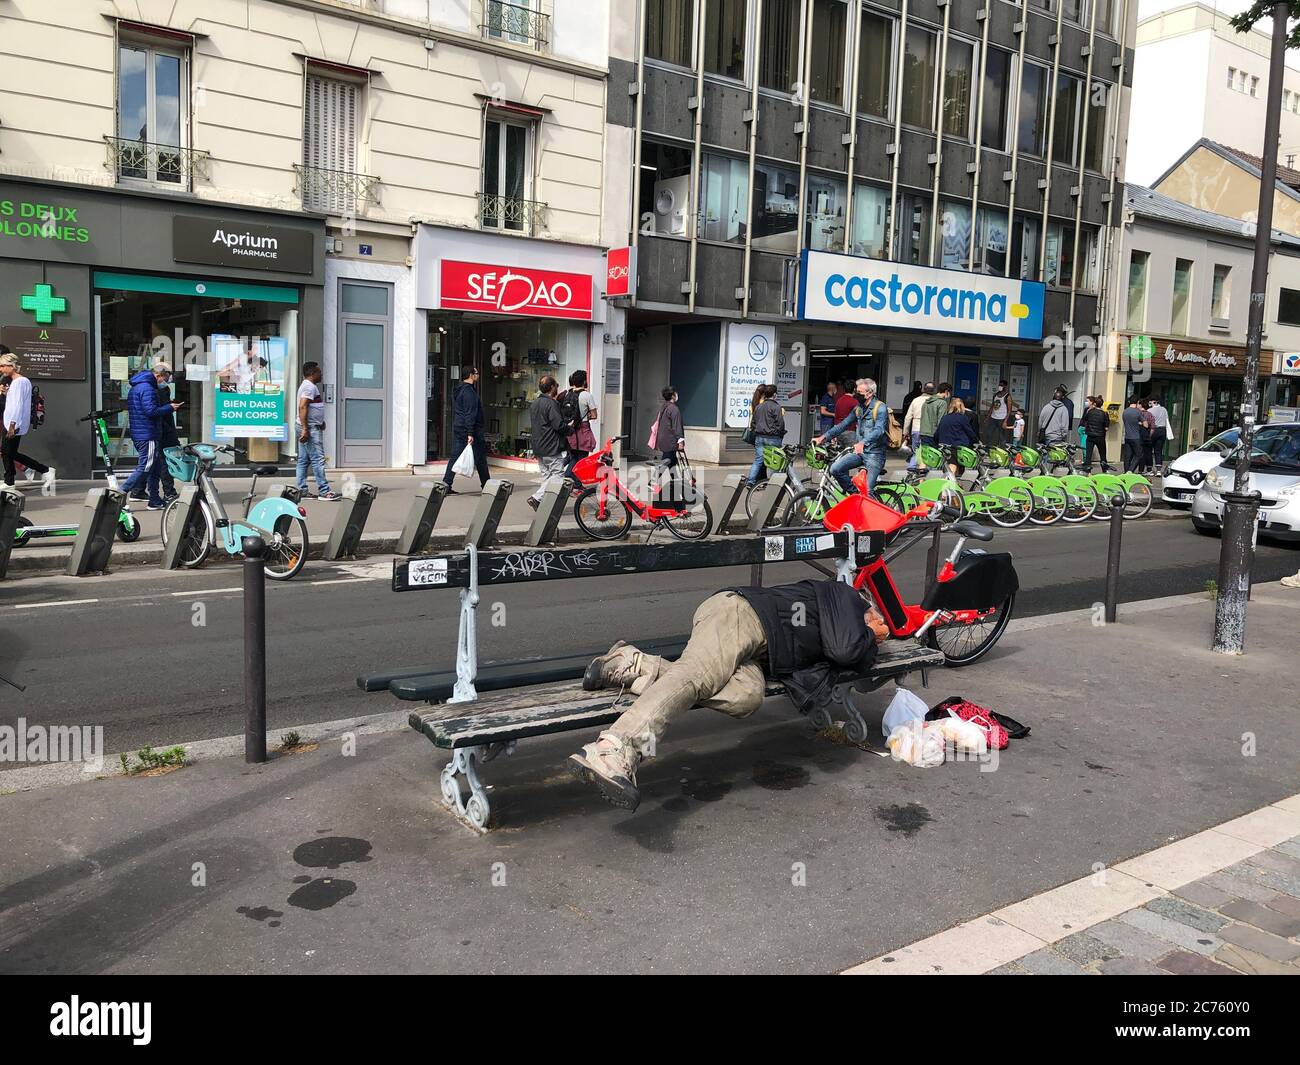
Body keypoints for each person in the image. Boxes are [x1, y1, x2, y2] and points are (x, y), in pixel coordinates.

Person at [569, 580, 891, 810]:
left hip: (755, 651)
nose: (879, 627)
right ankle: (614, 748)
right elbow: (846, 651)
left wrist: (867, 642)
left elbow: (844, 656)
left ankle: (635, 664)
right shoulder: (846, 596)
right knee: (697, 677)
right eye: (877, 620)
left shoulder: (842, 622)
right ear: (869, 606)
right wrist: (871, 636)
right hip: (741, 614)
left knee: (747, 698)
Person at [120, 362, 183, 509]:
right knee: (146, 466)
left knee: (154, 467)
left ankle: (154, 500)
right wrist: (169, 407)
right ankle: (121, 491)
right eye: (165, 378)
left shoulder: (138, 386)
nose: (165, 382)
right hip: (147, 433)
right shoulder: (148, 388)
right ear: (158, 375)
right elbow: (151, 411)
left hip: (143, 432)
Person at [815, 377, 889, 494]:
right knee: (835, 469)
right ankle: (855, 495)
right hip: (860, 453)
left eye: (859, 392)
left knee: (868, 491)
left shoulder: (880, 408)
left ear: (869, 393)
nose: (856, 394)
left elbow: (879, 430)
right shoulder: (859, 408)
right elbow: (843, 424)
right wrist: (823, 437)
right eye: (856, 391)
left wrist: (862, 442)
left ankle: (871, 506)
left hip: (875, 454)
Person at [0, 349, 55, 489]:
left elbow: (17, 405)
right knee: (9, 452)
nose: (1, 369)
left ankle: (12, 480)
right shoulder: (21, 382)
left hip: (13, 423)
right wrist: (7, 393)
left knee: (7, 452)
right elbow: (17, 401)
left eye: (2, 366)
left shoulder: (18, 382)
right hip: (14, 422)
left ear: (12, 366)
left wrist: (12, 426)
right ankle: (44, 471)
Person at [443, 365, 489, 493]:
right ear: (471, 375)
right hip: (470, 430)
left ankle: (446, 484)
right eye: (476, 373)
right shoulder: (469, 392)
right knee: (480, 458)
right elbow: (470, 413)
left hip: (460, 427)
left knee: (455, 456)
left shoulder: (459, 389)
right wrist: (470, 432)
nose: (478, 375)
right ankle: (487, 485)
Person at [295, 362, 337, 501]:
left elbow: (311, 407)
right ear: (312, 373)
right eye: (319, 372)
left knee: (303, 460)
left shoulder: (308, 386)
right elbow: (303, 406)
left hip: (310, 426)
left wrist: (320, 421)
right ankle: (324, 491)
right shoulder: (309, 387)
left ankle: (302, 490)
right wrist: (306, 429)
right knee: (318, 459)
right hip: (310, 428)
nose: (321, 375)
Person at [527, 374, 569, 511]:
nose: (557, 388)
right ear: (551, 387)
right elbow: (558, 425)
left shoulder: (535, 403)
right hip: (551, 446)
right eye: (556, 385)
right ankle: (537, 497)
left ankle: (543, 504)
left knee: (547, 476)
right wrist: (570, 429)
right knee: (558, 475)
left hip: (538, 446)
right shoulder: (551, 404)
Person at [746, 383, 785, 487]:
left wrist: (757, 431)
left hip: (759, 437)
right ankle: (774, 483)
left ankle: (750, 481)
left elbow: (753, 422)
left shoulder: (759, 406)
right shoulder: (776, 407)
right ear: (775, 394)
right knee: (774, 460)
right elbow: (780, 424)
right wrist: (780, 434)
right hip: (773, 437)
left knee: (758, 460)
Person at [563, 369, 598, 479]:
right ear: (584, 382)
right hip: (583, 429)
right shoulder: (587, 395)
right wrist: (586, 414)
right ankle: (570, 479)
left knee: (573, 456)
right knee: (581, 459)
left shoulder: (568, 395)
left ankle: (572, 481)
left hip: (570, 429)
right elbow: (594, 415)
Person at [938, 397, 978, 476]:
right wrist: (975, 440)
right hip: (957, 446)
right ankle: (948, 483)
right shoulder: (963, 418)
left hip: (944, 445)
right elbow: (970, 432)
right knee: (954, 465)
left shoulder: (944, 418)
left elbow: (937, 432)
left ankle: (954, 483)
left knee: (950, 464)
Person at [902, 383, 932, 470]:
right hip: (928, 429)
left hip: (915, 428)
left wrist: (905, 432)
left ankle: (912, 466)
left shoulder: (915, 400)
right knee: (927, 451)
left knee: (916, 450)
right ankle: (927, 470)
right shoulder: (933, 401)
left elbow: (908, 417)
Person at [918, 382, 951, 458]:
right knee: (934, 457)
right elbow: (941, 421)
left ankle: (921, 468)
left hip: (923, 432)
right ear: (946, 391)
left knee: (925, 456)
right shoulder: (942, 403)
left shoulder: (927, 402)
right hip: (933, 433)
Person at [1080, 395, 1110, 473]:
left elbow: (1085, 420)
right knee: (1102, 454)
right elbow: (1106, 428)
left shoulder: (1090, 412)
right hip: (1100, 437)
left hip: (1090, 436)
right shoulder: (1105, 414)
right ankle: (1104, 470)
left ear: (1095, 404)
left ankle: (1088, 471)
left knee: (1088, 455)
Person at [1121, 396, 1145, 473]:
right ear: (1137, 402)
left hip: (1127, 436)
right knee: (1139, 454)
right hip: (1136, 437)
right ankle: (1130, 470)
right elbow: (1146, 424)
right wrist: (1140, 423)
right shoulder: (1138, 412)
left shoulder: (1125, 411)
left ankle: (1126, 471)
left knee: (1127, 456)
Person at [1147, 396, 1169, 471]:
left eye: (1150, 402)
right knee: (1159, 450)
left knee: (1149, 449)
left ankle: (1149, 468)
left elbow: (1148, 421)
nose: (1149, 404)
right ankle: (1159, 470)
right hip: (1162, 430)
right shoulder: (1164, 409)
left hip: (1153, 430)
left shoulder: (1149, 410)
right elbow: (1166, 419)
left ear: (1153, 402)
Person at [986, 380, 1011, 446]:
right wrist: (987, 417)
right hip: (993, 418)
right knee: (989, 434)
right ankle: (989, 449)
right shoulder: (995, 395)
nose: (1000, 386)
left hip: (1002, 419)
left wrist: (1005, 421)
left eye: (1002, 385)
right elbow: (992, 407)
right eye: (999, 385)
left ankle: (1003, 451)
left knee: (1001, 437)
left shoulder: (1007, 396)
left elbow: (1009, 410)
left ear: (1005, 386)